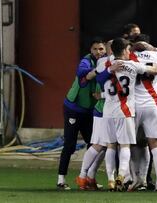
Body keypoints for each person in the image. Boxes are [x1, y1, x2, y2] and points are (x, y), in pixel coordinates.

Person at [96, 38, 157, 192]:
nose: (129, 52)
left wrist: (109, 70)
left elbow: (97, 78)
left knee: (111, 145)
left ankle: (113, 179)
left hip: (108, 111)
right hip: (130, 109)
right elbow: (156, 70)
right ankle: (126, 176)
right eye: (127, 50)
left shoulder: (106, 64)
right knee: (132, 145)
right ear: (124, 50)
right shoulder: (134, 64)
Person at [57, 38, 106, 190]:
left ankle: (88, 178)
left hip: (90, 111)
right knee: (70, 145)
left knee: (94, 145)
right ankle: (61, 180)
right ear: (91, 51)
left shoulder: (107, 63)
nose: (99, 52)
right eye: (95, 49)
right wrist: (96, 71)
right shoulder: (86, 61)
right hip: (74, 108)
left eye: (101, 49)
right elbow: (81, 73)